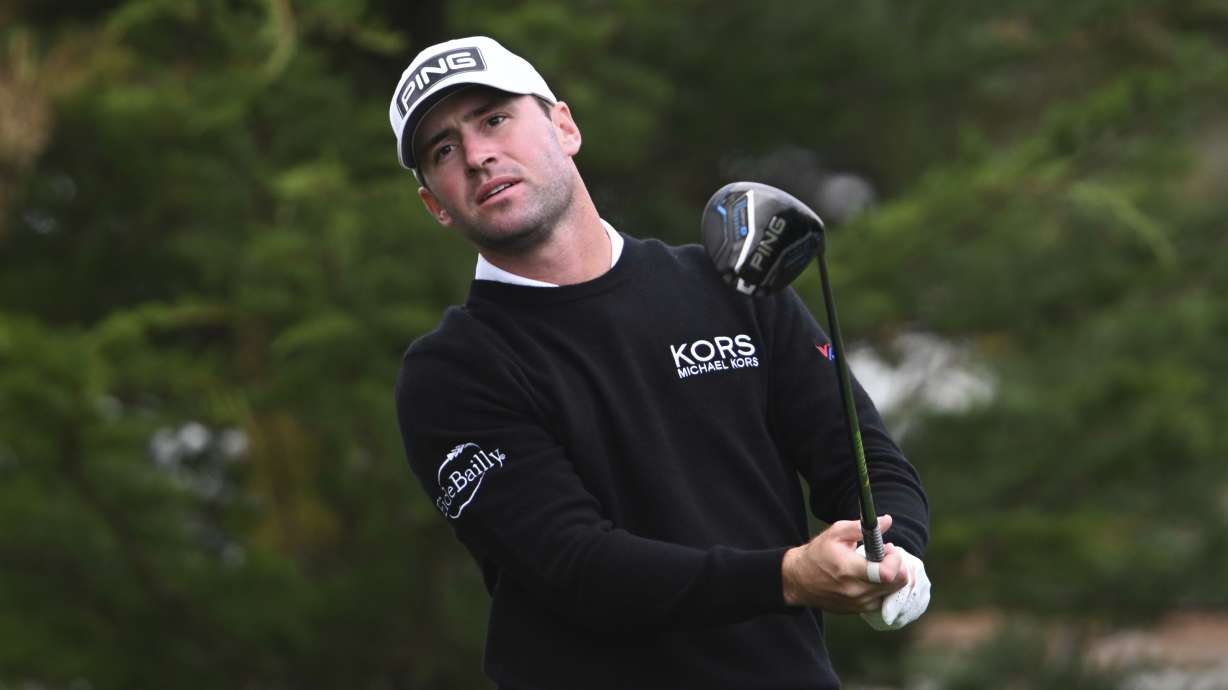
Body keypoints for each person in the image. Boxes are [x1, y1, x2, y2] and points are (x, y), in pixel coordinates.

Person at [390, 35, 931, 690]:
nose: (478, 156)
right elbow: (578, 567)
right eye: (442, 150)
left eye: (494, 118)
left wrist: (896, 559)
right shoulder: (452, 372)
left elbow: (861, 459)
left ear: (564, 125)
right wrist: (789, 577)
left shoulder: (729, 283)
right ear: (434, 205)